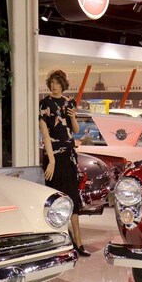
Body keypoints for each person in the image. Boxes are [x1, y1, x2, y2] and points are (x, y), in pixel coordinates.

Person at [39, 70, 89, 256]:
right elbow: (45, 134)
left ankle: (79, 241)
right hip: (54, 156)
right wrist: (51, 160)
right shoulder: (44, 104)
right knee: (55, 199)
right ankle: (60, 240)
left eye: (58, 83)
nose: (54, 86)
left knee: (73, 197)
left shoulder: (69, 103)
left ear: (62, 85)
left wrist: (74, 116)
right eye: (52, 83)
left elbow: (74, 130)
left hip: (69, 155)